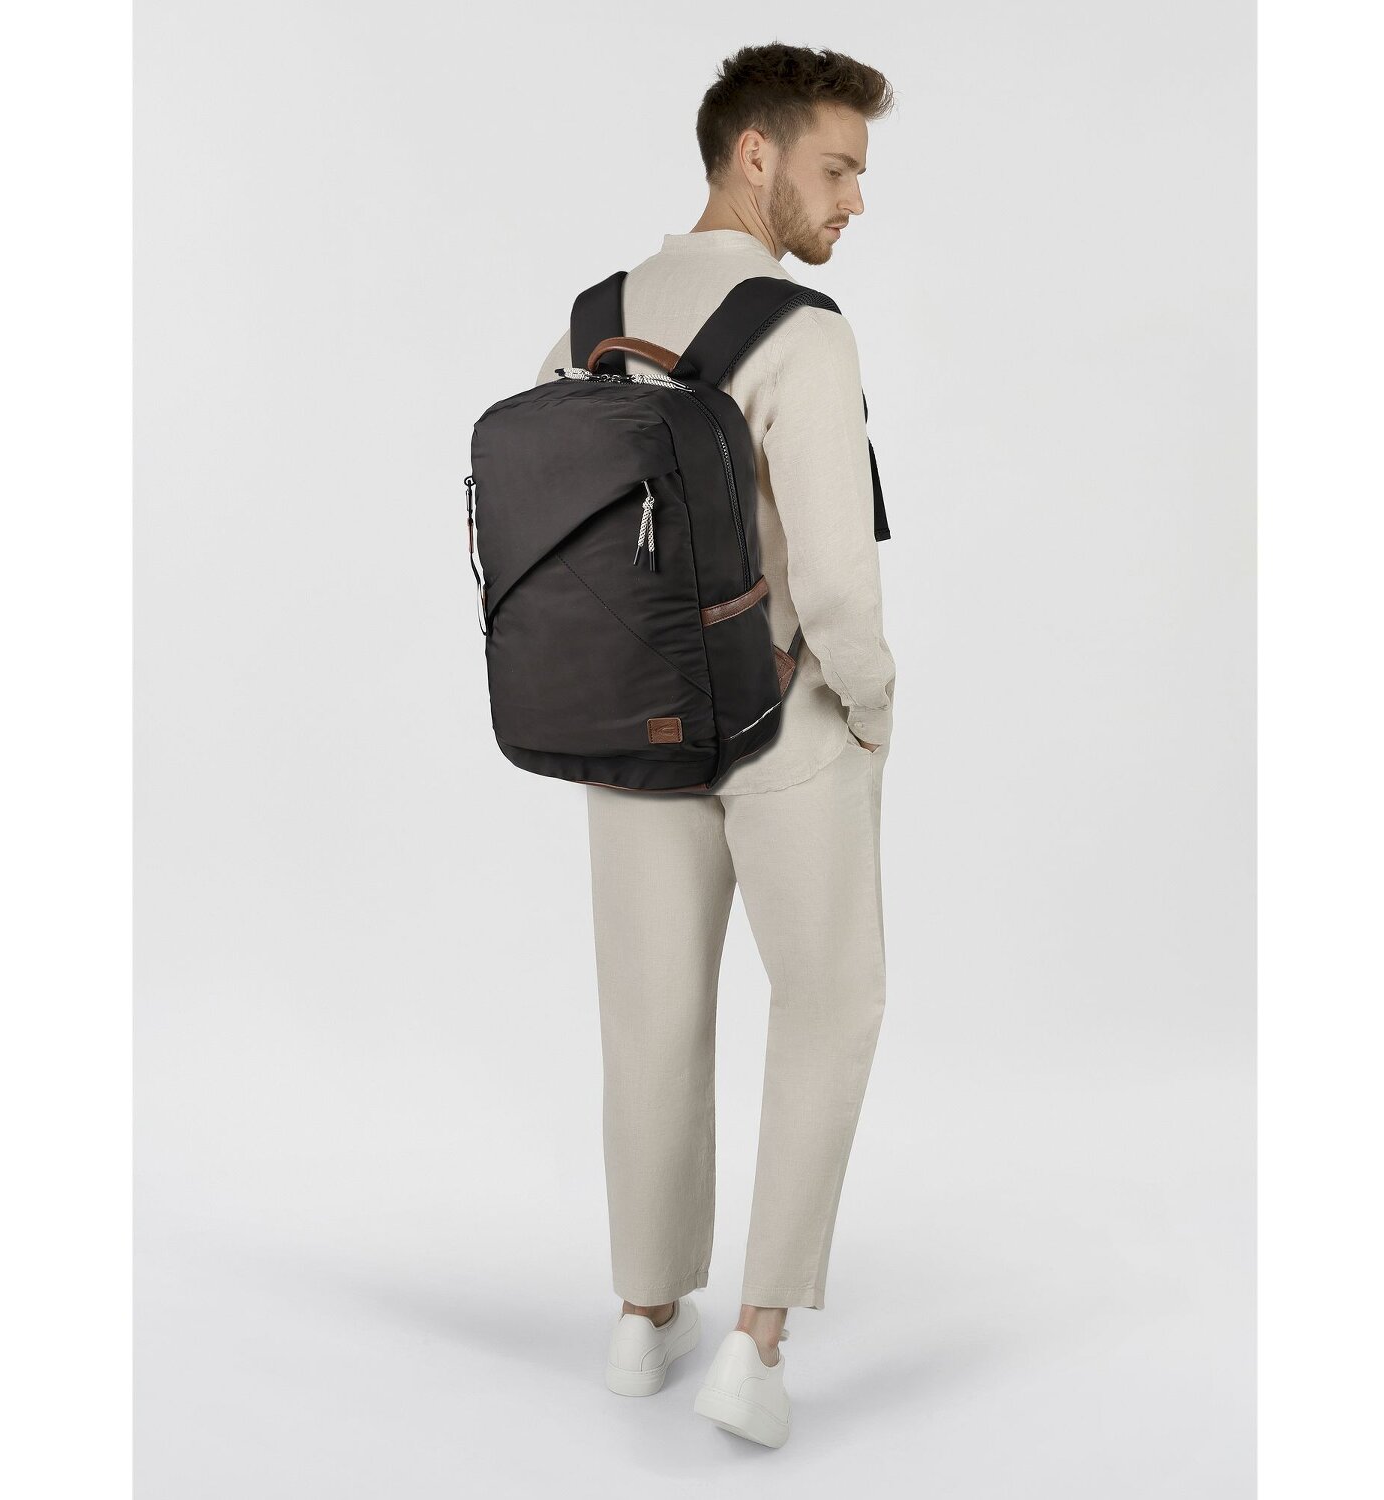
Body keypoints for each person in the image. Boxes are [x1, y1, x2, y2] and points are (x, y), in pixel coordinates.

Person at [534, 42, 897, 1450]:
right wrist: (870, 702)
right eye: (838, 166)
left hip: (625, 724)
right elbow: (840, 582)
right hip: (782, 716)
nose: (854, 199)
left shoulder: (588, 322)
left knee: (650, 1016)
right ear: (756, 155)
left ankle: (642, 1319)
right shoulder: (804, 332)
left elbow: (525, 535)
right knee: (830, 1003)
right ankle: (755, 1345)